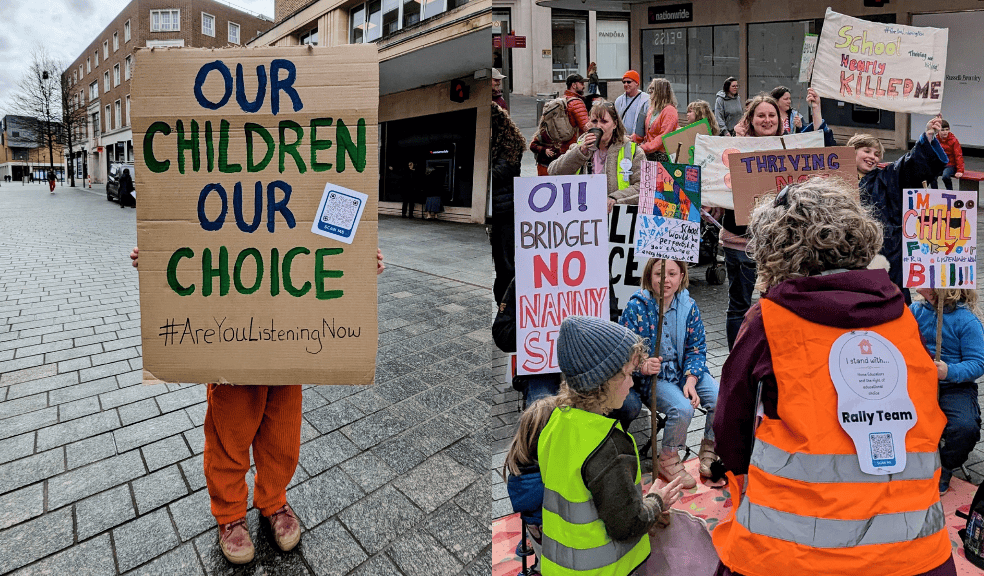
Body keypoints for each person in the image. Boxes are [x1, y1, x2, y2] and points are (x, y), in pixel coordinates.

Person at [712, 178, 955, 576]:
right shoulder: (901, 317)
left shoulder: (770, 319)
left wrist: (742, 476)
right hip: (913, 548)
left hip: (791, 549)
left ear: (777, 248)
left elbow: (729, 424)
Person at [129, 246, 386, 565]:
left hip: (287, 343)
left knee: (282, 436)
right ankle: (230, 514)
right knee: (228, 435)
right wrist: (160, 254)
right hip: (231, 342)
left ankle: (274, 500)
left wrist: (354, 266)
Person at [504, 315, 687, 576]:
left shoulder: (554, 421)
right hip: (606, 569)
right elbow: (627, 525)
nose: (633, 383)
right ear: (602, 382)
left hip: (560, 567)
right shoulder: (608, 446)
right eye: (627, 374)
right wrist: (657, 501)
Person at [723, 89, 832, 348]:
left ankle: (765, 354)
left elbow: (820, 145)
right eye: (761, 115)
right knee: (739, 304)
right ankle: (735, 359)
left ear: (779, 119)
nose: (767, 120)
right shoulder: (731, 146)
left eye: (772, 115)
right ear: (750, 119)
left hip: (778, 240)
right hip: (739, 239)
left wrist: (815, 109)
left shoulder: (790, 147)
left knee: (772, 301)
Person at [609, 258, 719, 489]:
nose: (665, 280)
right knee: (682, 408)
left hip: (686, 370)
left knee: (720, 398)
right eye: (659, 274)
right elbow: (624, 351)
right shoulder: (636, 307)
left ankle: (710, 446)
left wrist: (691, 379)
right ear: (649, 276)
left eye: (672, 273)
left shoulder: (688, 306)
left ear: (682, 276)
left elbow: (696, 348)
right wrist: (642, 365)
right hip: (656, 378)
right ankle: (668, 457)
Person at [849, 115, 946, 304]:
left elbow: (910, 164)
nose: (872, 157)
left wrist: (928, 136)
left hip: (886, 252)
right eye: (866, 150)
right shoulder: (837, 179)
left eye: (877, 154)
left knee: (891, 301)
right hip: (849, 252)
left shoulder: (886, 176)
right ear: (850, 151)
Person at [911, 288, 984, 495]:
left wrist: (949, 371)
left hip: (955, 385)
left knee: (965, 428)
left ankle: (945, 465)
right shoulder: (916, 310)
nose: (918, 286)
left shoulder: (967, 321)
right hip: (918, 382)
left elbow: (978, 363)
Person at [548, 100, 644, 209]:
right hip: (585, 214)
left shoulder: (632, 151)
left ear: (615, 124)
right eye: (594, 121)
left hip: (615, 216)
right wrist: (580, 152)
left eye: (604, 121)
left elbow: (643, 187)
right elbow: (553, 172)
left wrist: (615, 198)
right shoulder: (580, 146)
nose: (598, 126)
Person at [490, 102, 524, 304]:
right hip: (499, 210)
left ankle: (506, 306)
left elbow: (498, 175)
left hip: (506, 211)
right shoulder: (498, 145)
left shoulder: (509, 146)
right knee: (503, 265)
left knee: (506, 266)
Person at [639, 78, 679, 161]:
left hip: (662, 156)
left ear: (661, 91)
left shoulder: (669, 111)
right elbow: (646, 133)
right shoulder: (652, 109)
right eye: (650, 88)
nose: (650, 91)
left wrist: (644, 147)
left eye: (653, 89)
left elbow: (663, 136)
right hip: (649, 154)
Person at [559, 73, 591, 154]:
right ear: (574, 85)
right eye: (581, 84)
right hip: (574, 146)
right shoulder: (576, 103)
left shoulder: (562, 99)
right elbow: (586, 127)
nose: (583, 86)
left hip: (562, 145)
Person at [614, 70, 649, 142]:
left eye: (629, 82)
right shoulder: (619, 100)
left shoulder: (646, 100)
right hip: (622, 140)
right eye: (624, 82)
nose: (626, 84)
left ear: (637, 83)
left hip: (639, 142)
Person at [930, 120, 964, 190]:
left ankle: (950, 192)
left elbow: (958, 155)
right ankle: (935, 193)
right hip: (940, 164)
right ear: (938, 131)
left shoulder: (954, 141)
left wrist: (960, 170)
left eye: (947, 130)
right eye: (942, 130)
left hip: (950, 164)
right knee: (931, 175)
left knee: (945, 176)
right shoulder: (935, 140)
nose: (945, 132)